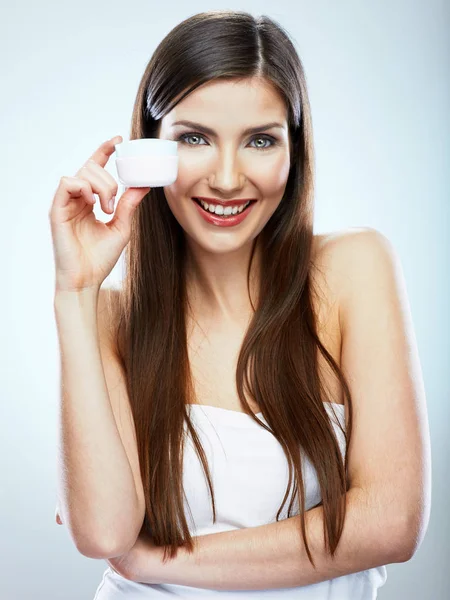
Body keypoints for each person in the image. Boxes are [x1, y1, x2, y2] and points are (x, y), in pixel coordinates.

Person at [49, 9, 431, 599]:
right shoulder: (110, 318)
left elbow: (390, 524)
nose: (227, 179)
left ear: (293, 151)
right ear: (150, 150)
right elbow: (105, 533)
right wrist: (75, 294)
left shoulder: (356, 268)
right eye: (194, 138)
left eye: (259, 140)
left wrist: (157, 560)